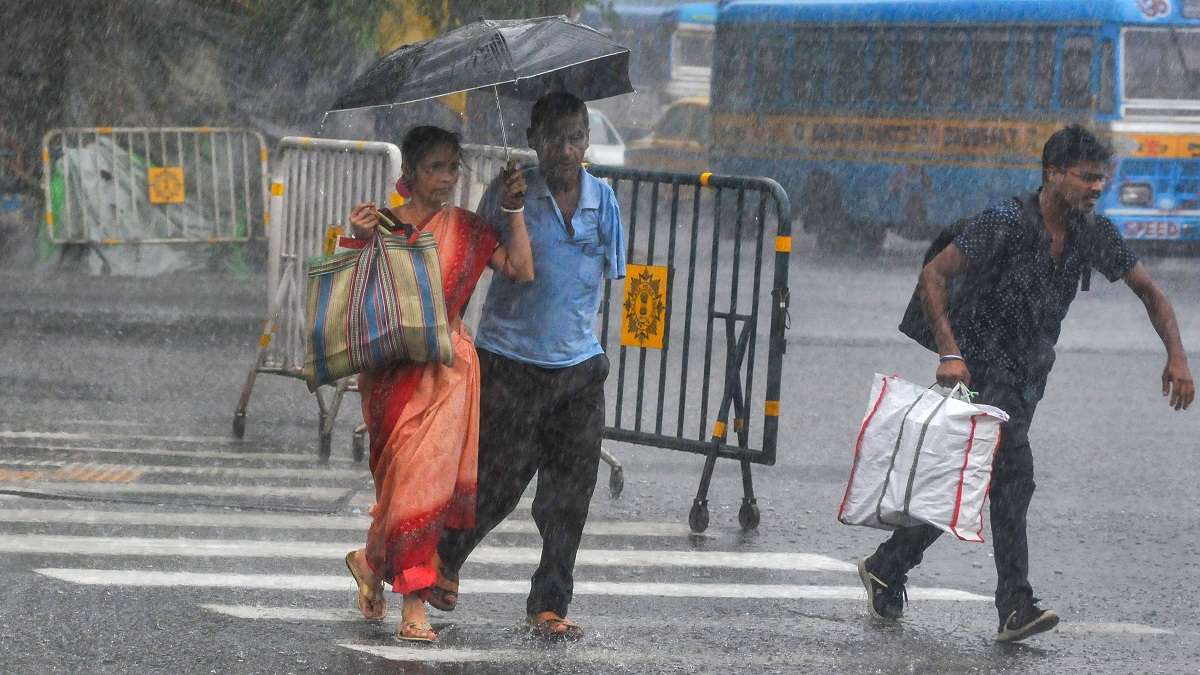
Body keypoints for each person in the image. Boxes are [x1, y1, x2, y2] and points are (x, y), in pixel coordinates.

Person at [859, 124, 1194, 643]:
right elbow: (935, 275)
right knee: (1014, 477)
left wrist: (1177, 356)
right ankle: (1014, 605)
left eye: (1101, 180)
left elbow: (1151, 293)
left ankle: (888, 564)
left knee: (970, 480)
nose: (1095, 189)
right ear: (1053, 174)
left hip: (1027, 377)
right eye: (1086, 178)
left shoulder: (1092, 234)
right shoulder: (1005, 222)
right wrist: (950, 353)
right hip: (981, 370)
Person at [432, 91, 626, 641]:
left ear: (586, 141)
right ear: (535, 141)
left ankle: (549, 602)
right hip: (510, 361)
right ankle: (444, 560)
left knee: (569, 494)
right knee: (498, 481)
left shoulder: (602, 201)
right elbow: (480, 261)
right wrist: (511, 205)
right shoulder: (510, 193)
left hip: (578, 370)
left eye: (575, 137)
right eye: (554, 137)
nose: (565, 149)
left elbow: (606, 276)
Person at [341, 125, 533, 643]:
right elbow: (352, 294)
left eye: (453, 167)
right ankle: (368, 559)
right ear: (409, 173)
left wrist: (512, 209)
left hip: (446, 371)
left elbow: (519, 268)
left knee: (422, 488)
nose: (446, 178)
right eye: (435, 167)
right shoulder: (382, 224)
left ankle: (414, 604)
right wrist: (357, 238)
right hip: (389, 375)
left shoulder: (469, 230)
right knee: (401, 487)